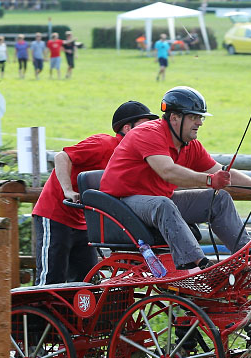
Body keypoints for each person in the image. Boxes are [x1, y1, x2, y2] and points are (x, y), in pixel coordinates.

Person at [100, 86, 251, 272]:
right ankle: (199, 265)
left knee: (219, 199)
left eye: (201, 117)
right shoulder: (148, 133)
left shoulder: (190, 145)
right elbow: (167, 171)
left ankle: (248, 257)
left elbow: (222, 172)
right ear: (174, 117)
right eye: (194, 117)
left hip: (158, 201)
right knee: (163, 204)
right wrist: (210, 181)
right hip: (123, 202)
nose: (199, 123)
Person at [31, 101, 159, 285]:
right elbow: (62, 157)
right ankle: (37, 313)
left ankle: (75, 314)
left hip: (84, 222)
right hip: (56, 214)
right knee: (51, 281)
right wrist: (68, 190)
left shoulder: (135, 158)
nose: (149, 131)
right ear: (127, 128)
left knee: (87, 283)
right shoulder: (104, 144)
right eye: (144, 126)